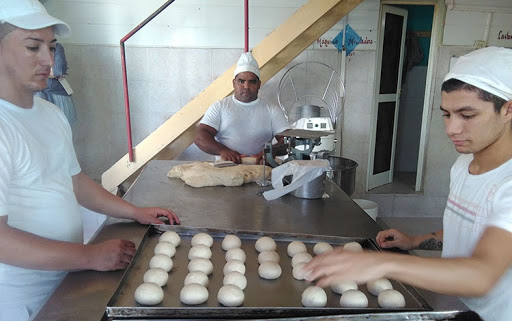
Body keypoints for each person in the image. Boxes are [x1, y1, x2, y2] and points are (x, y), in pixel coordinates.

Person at [0, 1, 180, 320]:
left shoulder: (50, 114)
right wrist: (89, 256)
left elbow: (75, 181)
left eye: (52, 47)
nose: (49, 60)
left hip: (65, 280)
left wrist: (134, 212)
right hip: (21, 300)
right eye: (33, 47)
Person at [303, 46, 512, 321]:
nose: (452, 129)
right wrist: (415, 240)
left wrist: (383, 264)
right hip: (462, 307)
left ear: (508, 109)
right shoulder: (464, 165)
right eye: (447, 114)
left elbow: (483, 275)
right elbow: (472, 230)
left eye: (467, 115)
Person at [194, 52, 290, 164]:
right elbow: (199, 136)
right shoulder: (220, 107)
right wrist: (223, 150)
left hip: (261, 169)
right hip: (227, 169)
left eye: (252, 82)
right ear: (234, 83)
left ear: (259, 84)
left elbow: (288, 140)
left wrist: (271, 151)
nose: (246, 87)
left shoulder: (271, 109)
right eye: (241, 81)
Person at [35, 42, 76, 126]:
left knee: (61, 132)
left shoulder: (57, 47)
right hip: (34, 97)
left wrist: (33, 73)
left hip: (58, 96)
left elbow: (58, 70)